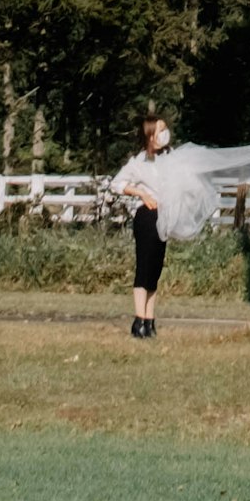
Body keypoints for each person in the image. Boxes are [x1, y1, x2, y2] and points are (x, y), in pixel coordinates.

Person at [109, 113, 173, 340]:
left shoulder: (168, 159)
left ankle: (150, 319)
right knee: (144, 267)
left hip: (163, 216)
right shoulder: (137, 163)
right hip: (146, 216)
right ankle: (139, 320)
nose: (165, 134)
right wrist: (141, 193)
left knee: (155, 269)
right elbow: (117, 184)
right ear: (150, 135)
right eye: (160, 130)